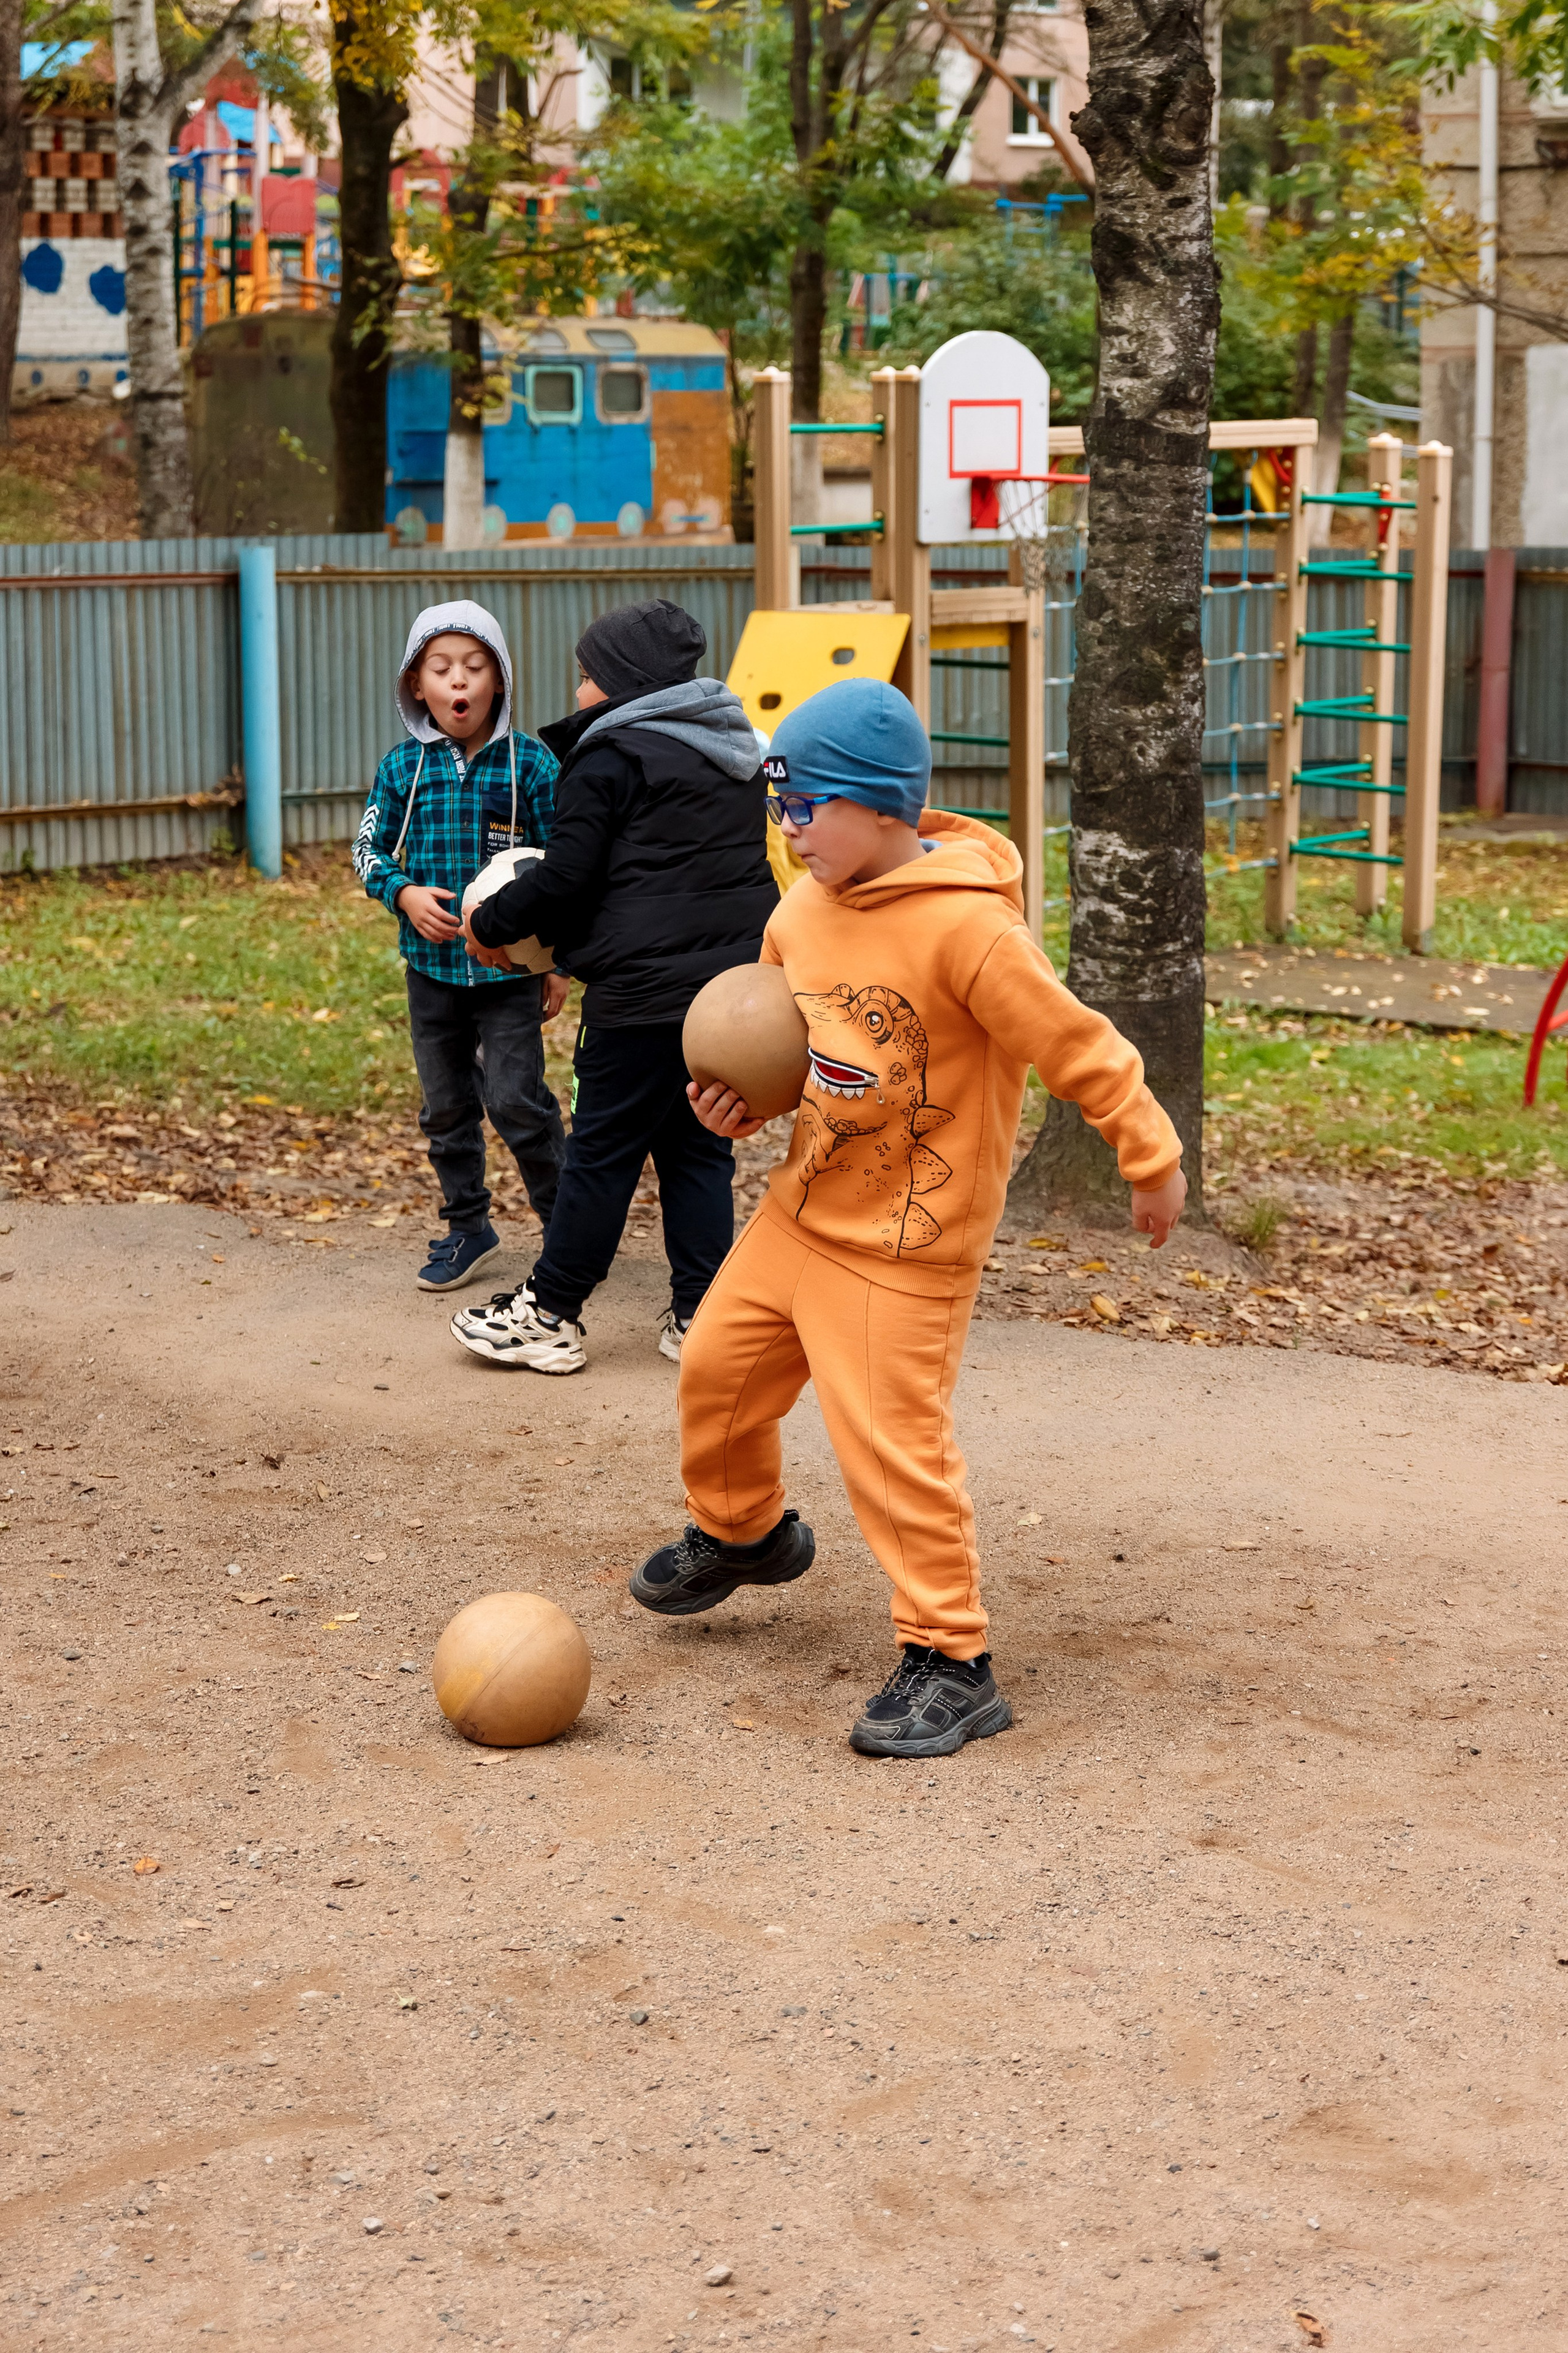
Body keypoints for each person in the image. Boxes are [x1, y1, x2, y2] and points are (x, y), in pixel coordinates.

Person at [628, 678, 1187, 1759]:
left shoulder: (972, 934)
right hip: (803, 1213)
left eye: (807, 808)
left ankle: (952, 1658)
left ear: (885, 807)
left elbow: (1080, 1046)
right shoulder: (799, 912)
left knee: (890, 1449)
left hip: (906, 1248)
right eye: (777, 805)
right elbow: (804, 1059)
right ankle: (744, 1535)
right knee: (717, 1372)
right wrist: (743, 1104)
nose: (787, 829)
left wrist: (1150, 1155)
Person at [450, 597, 777, 1373]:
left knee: (600, 1152)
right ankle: (703, 1313)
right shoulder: (736, 755)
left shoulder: (609, 758)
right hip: (729, 996)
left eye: (587, 676)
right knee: (699, 1152)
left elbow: (566, 879)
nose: (577, 693)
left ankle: (551, 1311)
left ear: (623, 681)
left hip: (638, 998)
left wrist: (489, 923)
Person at [355, 600, 567, 1292]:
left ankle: (566, 1223)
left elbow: (566, 868)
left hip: (509, 974)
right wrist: (403, 893)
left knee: (515, 1099)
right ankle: (467, 1225)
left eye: (475, 667)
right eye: (441, 668)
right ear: (417, 684)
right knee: (445, 1107)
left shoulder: (532, 763)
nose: (459, 681)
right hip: (432, 972)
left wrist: (557, 962)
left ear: (498, 681)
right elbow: (367, 850)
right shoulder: (400, 769)